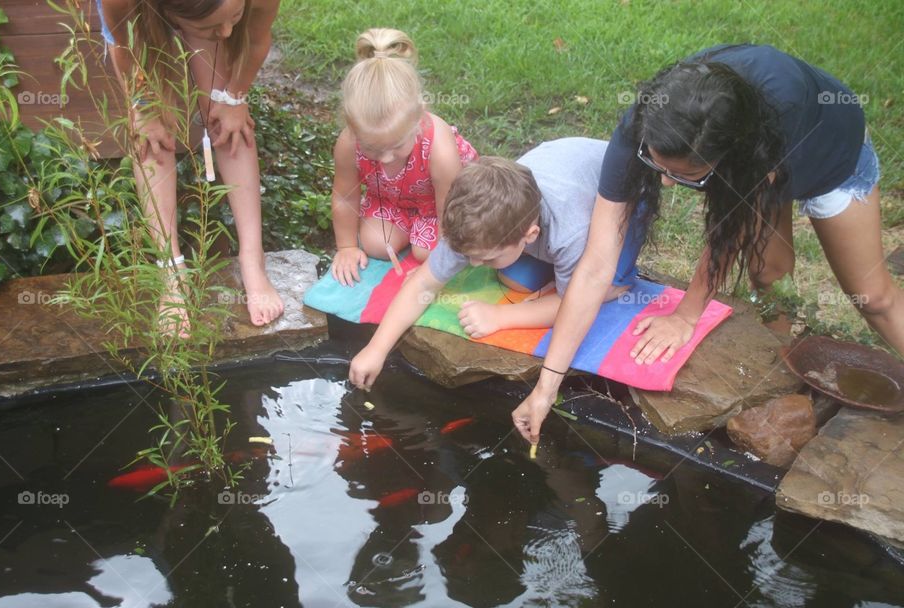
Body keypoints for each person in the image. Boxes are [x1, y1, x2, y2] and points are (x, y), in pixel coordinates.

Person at [512, 44, 904, 443]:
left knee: (872, 296)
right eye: (657, 165)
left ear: (726, 157)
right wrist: (547, 388)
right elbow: (596, 266)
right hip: (764, 155)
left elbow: (727, 233)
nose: (664, 182)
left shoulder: (757, 133)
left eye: (687, 175)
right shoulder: (645, 127)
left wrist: (686, 316)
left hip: (829, 154)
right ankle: (788, 366)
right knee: (767, 271)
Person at [349, 139, 642, 390]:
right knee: (515, 279)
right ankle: (551, 270)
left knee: (601, 282)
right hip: (560, 170)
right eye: (471, 256)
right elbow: (423, 283)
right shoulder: (474, 221)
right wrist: (376, 349)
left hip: (623, 196)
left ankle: (618, 283)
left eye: (486, 257)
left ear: (530, 235)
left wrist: (501, 317)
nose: (475, 265)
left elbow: (574, 304)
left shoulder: (572, 233)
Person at [98, 0, 284, 336]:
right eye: (213, 27)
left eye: (235, 17)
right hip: (141, 24)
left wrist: (235, 98)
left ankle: (252, 260)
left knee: (227, 116)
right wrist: (143, 107)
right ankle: (171, 271)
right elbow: (124, 44)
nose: (228, 33)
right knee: (152, 130)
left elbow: (255, 39)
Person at [329, 28, 478, 286]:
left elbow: (450, 209)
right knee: (377, 245)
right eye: (373, 149)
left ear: (418, 118)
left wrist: (435, 268)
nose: (385, 159)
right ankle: (410, 231)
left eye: (397, 145)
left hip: (442, 205)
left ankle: (419, 237)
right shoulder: (348, 144)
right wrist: (346, 247)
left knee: (426, 253)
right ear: (353, 130)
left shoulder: (439, 149)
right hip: (390, 200)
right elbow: (345, 197)